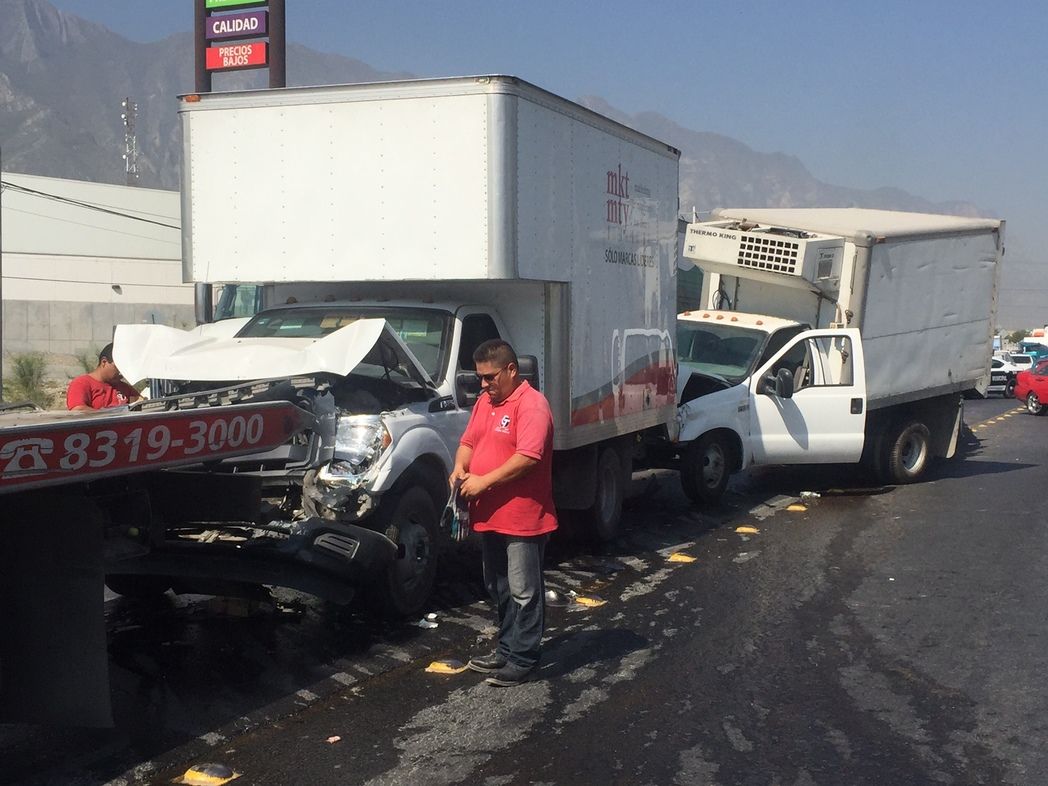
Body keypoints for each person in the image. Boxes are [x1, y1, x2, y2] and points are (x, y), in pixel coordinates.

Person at [450, 339, 558, 687]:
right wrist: (460, 468)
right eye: (479, 377)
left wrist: (483, 482)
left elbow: (528, 458)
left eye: (490, 377)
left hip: (521, 517)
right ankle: (507, 648)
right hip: (490, 514)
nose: (483, 385)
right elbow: (468, 442)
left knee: (524, 589)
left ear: (511, 370)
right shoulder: (485, 402)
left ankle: (524, 658)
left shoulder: (532, 405)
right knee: (499, 586)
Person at [66, 343, 140, 411]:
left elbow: (139, 405)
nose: (121, 372)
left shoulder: (126, 388)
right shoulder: (82, 383)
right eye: (118, 367)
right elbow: (78, 410)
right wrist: (109, 415)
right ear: (104, 362)